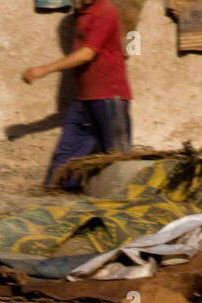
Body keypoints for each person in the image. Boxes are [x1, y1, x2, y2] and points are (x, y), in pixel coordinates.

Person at [22, 0, 132, 188]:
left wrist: (44, 70)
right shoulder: (82, 13)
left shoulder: (105, 11)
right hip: (83, 98)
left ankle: (123, 201)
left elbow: (87, 53)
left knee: (117, 157)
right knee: (66, 153)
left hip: (108, 96)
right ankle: (56, 191)